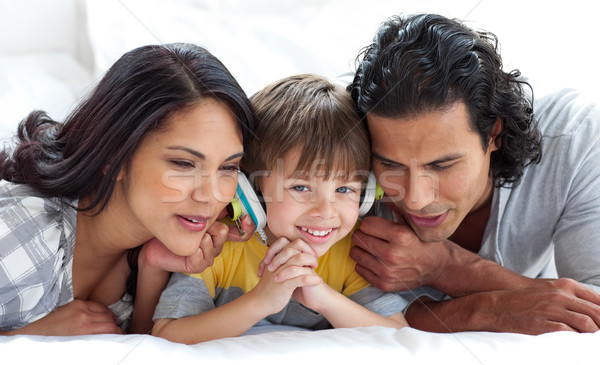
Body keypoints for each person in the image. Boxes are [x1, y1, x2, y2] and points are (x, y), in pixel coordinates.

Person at [348, 13, 600, 335]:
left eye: (441, 165)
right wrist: (486, 309)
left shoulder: (576, 140)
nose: (415, 199)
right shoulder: (349, 137)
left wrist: (445, 266)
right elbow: (358, 312)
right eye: (391, 165)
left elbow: (593, 310)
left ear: (494, 131)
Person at [0, 43, 255, 335]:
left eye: (228, 167)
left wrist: (153, 268)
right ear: (114, 155)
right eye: (184, 164)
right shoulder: (24, 235)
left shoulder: (154, 247)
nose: (210, 196)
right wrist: (28, 336)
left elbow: (142, 350)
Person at [152, 74, 408, 344]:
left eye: (344, 190)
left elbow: (399, 333)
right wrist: (261, 301)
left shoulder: (354, 250)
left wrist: (324, 299)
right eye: (300, 187)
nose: (325, 211)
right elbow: (166, 334)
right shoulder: (216, 245)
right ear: (251, 193)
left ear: (366, 194)